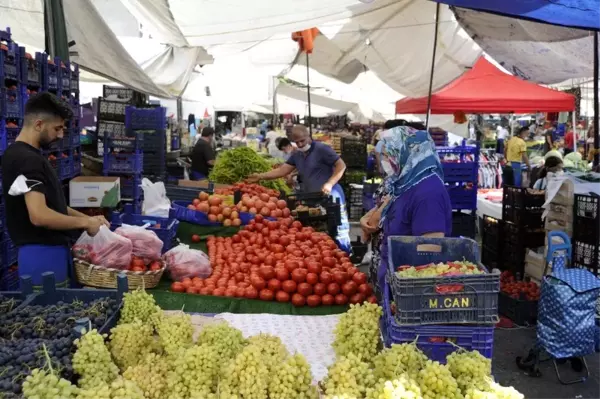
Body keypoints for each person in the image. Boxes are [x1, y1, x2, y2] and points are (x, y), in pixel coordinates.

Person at [2, 92, 108, 287]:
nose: (60, 135)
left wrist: (90, 220)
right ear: (38, 124)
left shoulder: (17, 153)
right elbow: (39, 215)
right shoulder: (28, 160)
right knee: (49, 312)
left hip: (42, 255)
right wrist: (84, 221)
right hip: (43, 257)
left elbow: (53, 206)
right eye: (57, 128)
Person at [369, 126, 452, 290]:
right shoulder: (405, 183)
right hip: (395, 282)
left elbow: (430, 250)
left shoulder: (428, 194)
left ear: (407, 154)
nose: (385, 161)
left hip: (410, 289)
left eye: (389, 155)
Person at [247, 125, 351, 252]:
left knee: (338, 230)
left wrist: (330, 183)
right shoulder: (297, 154)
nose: (300, 144)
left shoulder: (321, 149)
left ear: (309, 136)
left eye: (302, 140)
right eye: (297, 142)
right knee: (319, 234)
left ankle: (346, 256)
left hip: (331, 196)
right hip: (312, 199)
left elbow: (342, 165)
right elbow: (283, 170)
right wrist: (260, 176)